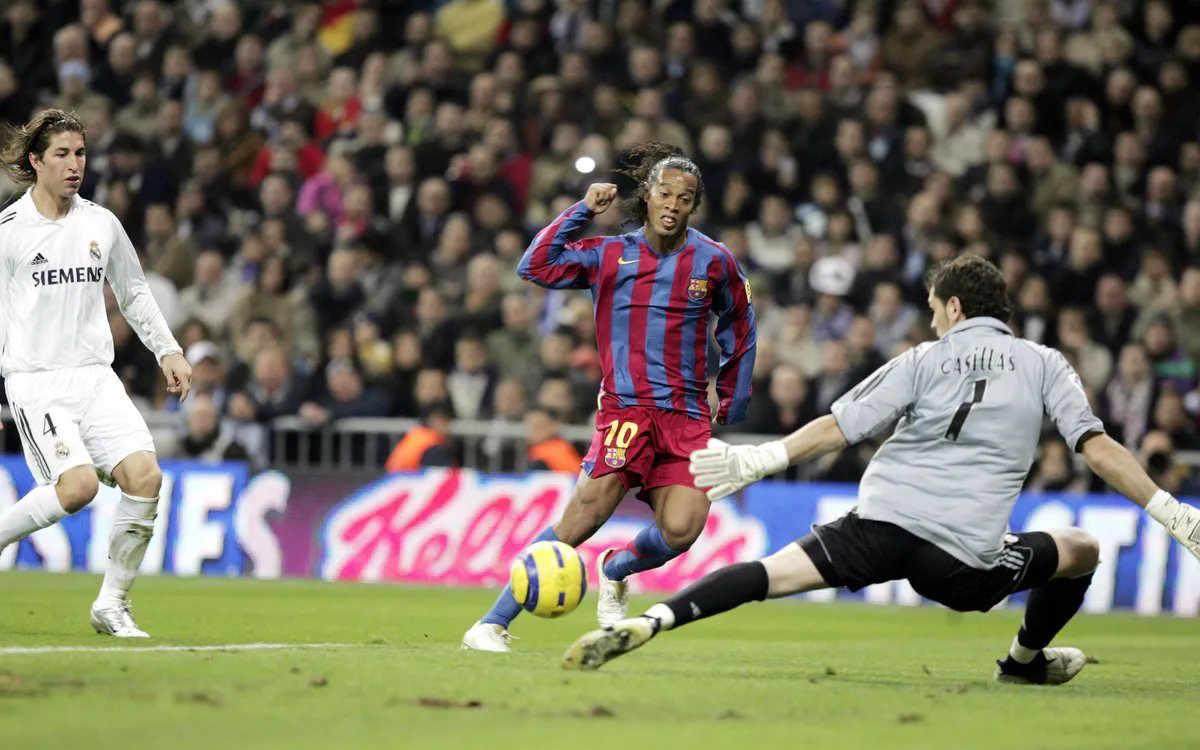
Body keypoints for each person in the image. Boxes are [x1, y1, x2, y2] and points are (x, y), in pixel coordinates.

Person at [562, 254, 1200, 685]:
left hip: (881, 524)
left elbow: (842, 425)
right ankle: (1023, 662)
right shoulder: (1046, 364)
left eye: (931, 308)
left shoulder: (923, 359)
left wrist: (761, 458)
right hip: (963, 560)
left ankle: (653, 620)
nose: (930, 319)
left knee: (767, 574)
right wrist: (1170, 510)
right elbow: (1096, 446)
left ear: (952, 308)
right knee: (1082, 549)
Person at [463, 141, 757, 652]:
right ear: (646, 195)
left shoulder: (715, 261)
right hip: (627, 409)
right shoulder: (610, 254)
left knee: (683, 529)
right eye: (663, 193)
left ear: (694, 205)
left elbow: (741, 326)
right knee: (583, 515)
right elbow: (534, 267)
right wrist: (581, 212)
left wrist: (730, 395)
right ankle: (490, 623)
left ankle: (617, 568)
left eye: (683, 198)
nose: (672, 204)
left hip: (686, 417)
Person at [0, 109, 192, 638]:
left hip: (95, 377)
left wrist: (168, 350)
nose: (73, 164)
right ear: (35, 161)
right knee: (79, 487)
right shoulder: (9, 232)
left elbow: (132, 292)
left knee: (146, 478)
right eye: (61, 154)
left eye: (80, 153)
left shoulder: (100, 223)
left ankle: (112, 604)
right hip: (37, 381)